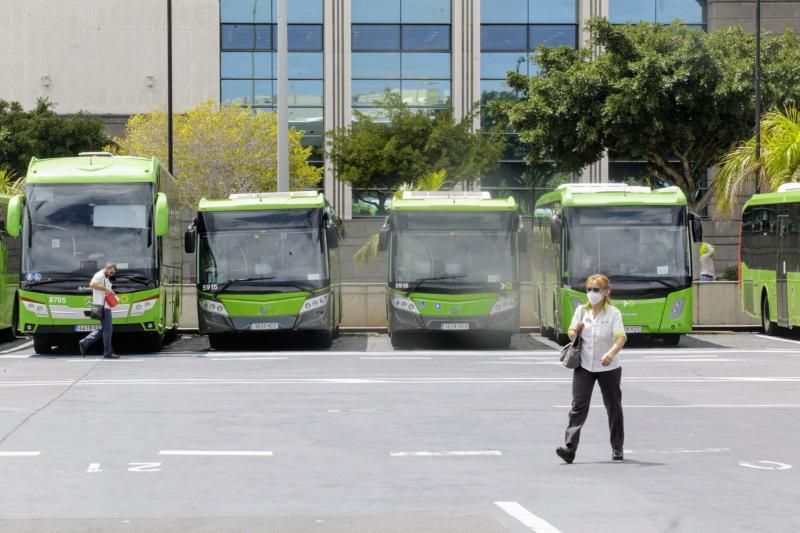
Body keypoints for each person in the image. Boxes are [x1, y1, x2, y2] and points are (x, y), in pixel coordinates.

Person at [556, 273, 627, 463]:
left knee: (613, 406)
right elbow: (571, 334)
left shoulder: (613, 313)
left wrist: (610, 354)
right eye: (589, 289)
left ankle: (617, 447)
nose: (592, 293)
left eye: (596, 290)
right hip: (584, 366)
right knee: (578, 407)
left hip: (609, 367)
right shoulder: (581, 311)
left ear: (606, 292)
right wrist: (575, 331)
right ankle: (569, 449)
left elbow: (621, 338)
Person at [79, 263, 119, 359]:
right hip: (102, 306)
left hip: (101, 306)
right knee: (108, 330)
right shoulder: (100, 275)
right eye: (111, 271)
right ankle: (108, 353)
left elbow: (105, 291)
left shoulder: (104, 276)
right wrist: (107, 289)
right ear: (107, 268)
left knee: (104, 329)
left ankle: (85, 342)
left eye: (113, 273)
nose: (111, 274)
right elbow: (92, 284)